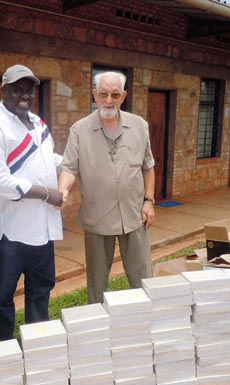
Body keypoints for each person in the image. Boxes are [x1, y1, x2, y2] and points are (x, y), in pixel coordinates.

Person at [0, 64, 63, 342]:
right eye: (17, 89)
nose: (24, 94)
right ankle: (2, 354)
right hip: (9, 232)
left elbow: (52, 160)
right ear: (3, 90)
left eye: (29, 89)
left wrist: (76, 165)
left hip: (42, 227)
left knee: (41, 289)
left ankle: (38, 348)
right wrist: (47, 193)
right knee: (3, 297)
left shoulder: (38, 123)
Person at [59, 70, 156, 304]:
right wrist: (62, 190)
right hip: (97, 216)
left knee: (143, 276)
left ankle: (146, 317)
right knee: (97, 281)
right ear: (95, 95)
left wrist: (149, 201)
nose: (109, 100)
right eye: (103, 94)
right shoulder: (80, 130)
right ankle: (99, 322)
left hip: (134, 215)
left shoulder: (139, 126)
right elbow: (69, 168)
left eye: (114, 94)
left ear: (123, 96)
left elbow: (148, 166)